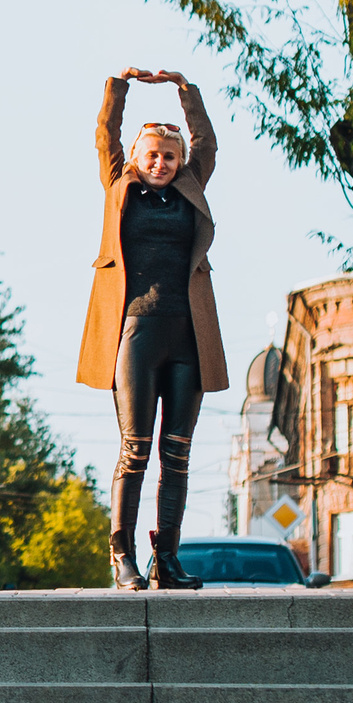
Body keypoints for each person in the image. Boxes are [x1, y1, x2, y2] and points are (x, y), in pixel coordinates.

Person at [78, 67, 229, 590]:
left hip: (188, 335)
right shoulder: (120, 185)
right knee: (135, 447)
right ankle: (122, 558)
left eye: (169, 155)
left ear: (179, 161)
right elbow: (106, 136)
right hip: (135, 335)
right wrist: (118, 87)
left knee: (178, 451)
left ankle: (168, 558)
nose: (160, 162)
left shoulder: (191, 184)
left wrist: (186, 90)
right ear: (139, 160)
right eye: (152, 155)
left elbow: (207, 141)